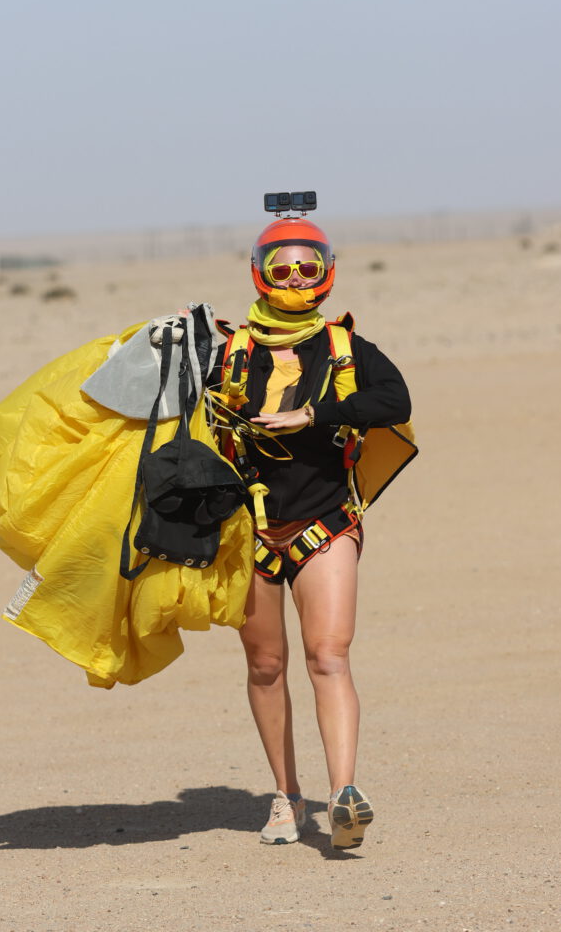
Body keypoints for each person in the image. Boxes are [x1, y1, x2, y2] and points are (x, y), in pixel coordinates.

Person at [209, 214, 414, 849]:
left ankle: (344, 793)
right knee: (266, 664)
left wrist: (311, 414)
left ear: (327, 274)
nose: (295, 278)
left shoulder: (348, 349)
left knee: (329, 656)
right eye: (280, 268)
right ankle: (287, 797)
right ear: (258, 274)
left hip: (326, 523)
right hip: (247, 532)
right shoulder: (229, 352)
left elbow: (394, 402)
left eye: (308, 267)